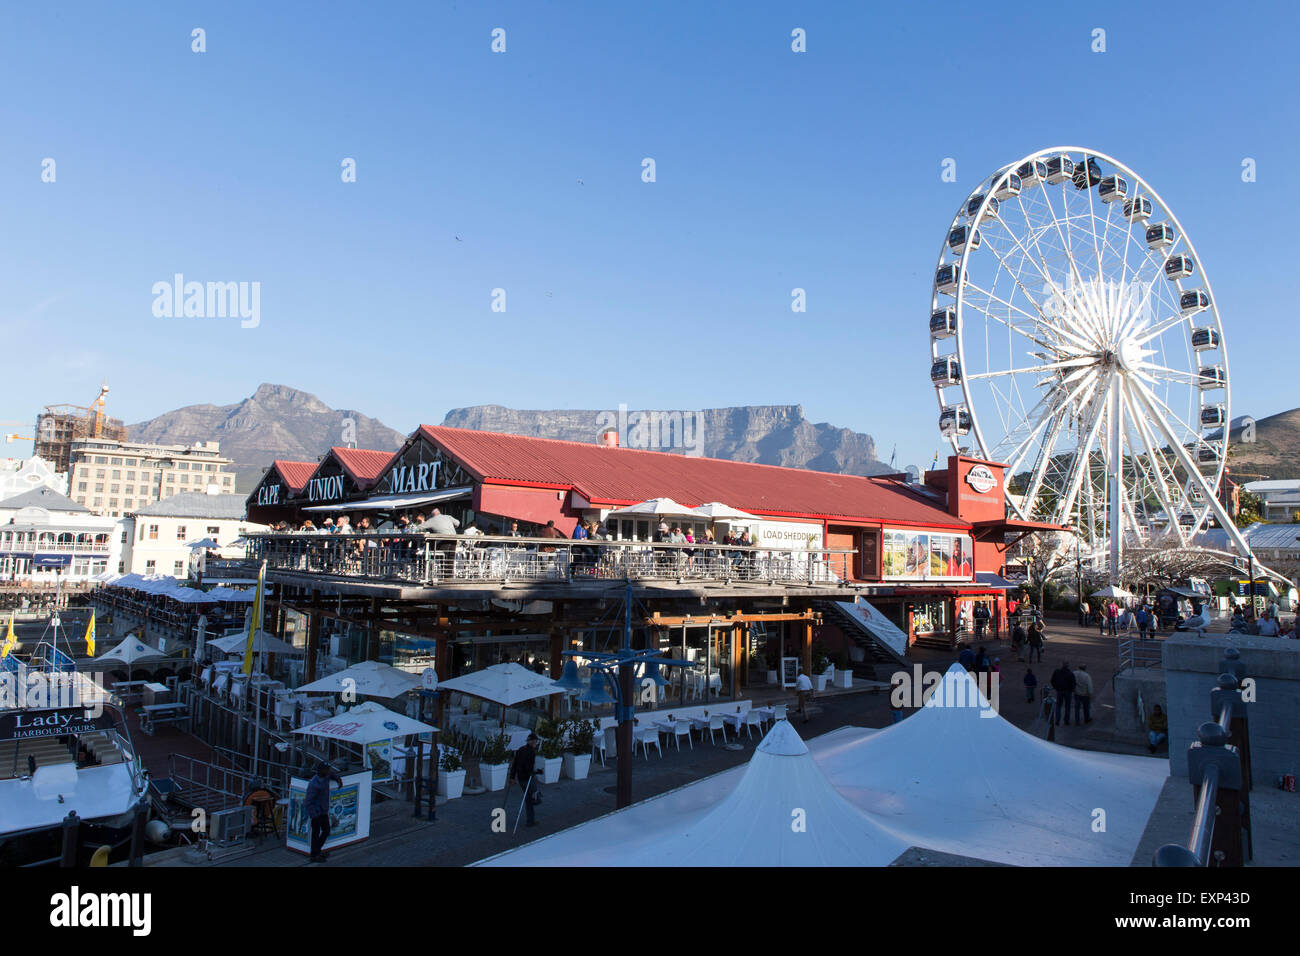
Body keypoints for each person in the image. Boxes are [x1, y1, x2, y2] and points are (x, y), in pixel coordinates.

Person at [305, 761, 343, 862]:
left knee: (326, 831)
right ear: (320, 770)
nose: (328, 771)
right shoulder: (314, 784)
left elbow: (332, 774)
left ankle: (317, 850)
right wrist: (314, 815)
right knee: (316, 833)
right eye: (326, 769)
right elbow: (308, 802)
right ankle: (314, 854)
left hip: (323, 811)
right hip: (317, 813)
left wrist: (338, 779)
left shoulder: (326, 776)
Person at [509, 733, 542, 827]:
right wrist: (537, 772)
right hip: (528, 778)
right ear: (531, 742)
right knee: (535, 796)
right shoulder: (531, 752)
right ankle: (530, 818)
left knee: (528, 799)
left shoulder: (520, 749)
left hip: (521, 778)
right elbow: (528, 768)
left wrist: (512, 777)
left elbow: (514, 764)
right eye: (535, 741)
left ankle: (530, 820)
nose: (536, 743)